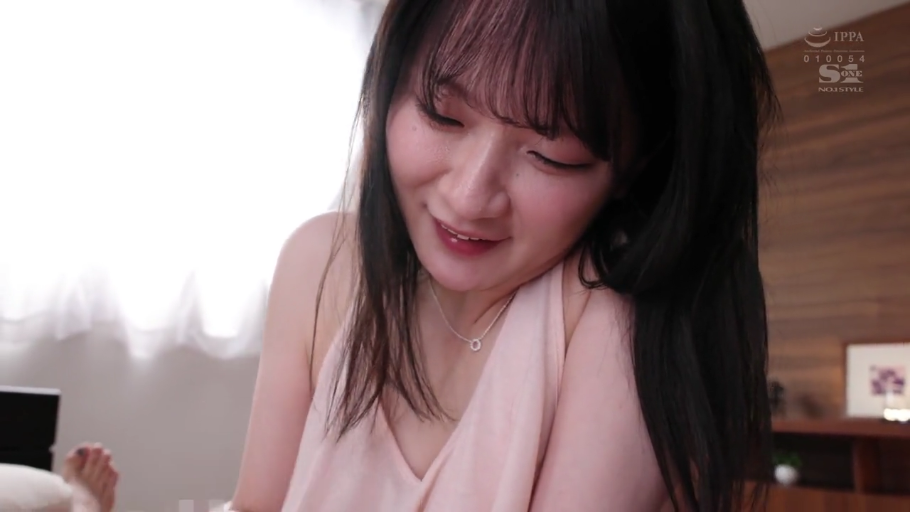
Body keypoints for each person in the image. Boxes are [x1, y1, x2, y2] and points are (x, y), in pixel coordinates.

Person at [226, 0, 778, 511]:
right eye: (441, 115)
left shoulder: (622, 312)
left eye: (551, 155)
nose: (468, 197)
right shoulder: (320, 263)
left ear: (636, 167)